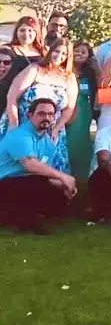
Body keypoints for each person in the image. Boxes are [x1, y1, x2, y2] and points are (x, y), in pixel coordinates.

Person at [1, 37, 78, 175]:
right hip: (23, 124)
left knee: (50, 170)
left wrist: (56, 128)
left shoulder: (69, 77)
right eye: (57, 51)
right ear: (51, 51)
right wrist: (14, 125)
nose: (59, 56)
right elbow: (12, 97)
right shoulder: (35, 69)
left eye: (64, 54)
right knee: (18, 165)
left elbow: (69, 108)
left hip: (52, 128)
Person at [0, 98, 77, 233]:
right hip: (5, 183)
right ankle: (27, 224)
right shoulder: (20, 135)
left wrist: (63, 185)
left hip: (24, 184)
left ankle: (13, 216)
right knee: (36, 182)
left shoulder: (47, 142)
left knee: (59, 197)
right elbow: (29, 164)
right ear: (30, 115)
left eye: (50, 114)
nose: (46, 118)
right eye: (41, 114)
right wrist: (63, 177)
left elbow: (43, 172)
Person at [67, 41, 99, 179]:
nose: (79, 53)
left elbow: (100, 90)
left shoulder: (90, 74)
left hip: (84, 114)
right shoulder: (65, 71)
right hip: (67, 112)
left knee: (81, 144)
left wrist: (97, 69)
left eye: (83, 52)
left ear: (88, 57)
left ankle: (81, 178)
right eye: (76, 50)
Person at [5, 16, 45, 82]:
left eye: (30, 30)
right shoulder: (7, 50)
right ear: (16, 32)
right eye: (22, 30)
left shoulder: (44, 51)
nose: (26, 34)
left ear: (36, 33)